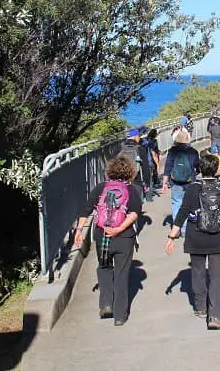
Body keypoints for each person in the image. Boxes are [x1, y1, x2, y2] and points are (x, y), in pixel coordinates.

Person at [165, 153, 220, 330]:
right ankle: (215, 316)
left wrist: (172, 237)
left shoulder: (193, 189)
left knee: (198, 272)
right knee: (217, 277)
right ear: (216, 169)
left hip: (196, 237)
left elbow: (182, 213)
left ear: (199, 169)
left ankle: (200, 308)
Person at [74, 156, 143, 326]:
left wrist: (79, 229)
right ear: (130, 172)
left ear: (110, 171)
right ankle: (120, 315)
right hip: (124, 237)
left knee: (104, 268)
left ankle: (106, 304)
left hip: (102, 235)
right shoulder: (132, 190)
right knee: (121, 274)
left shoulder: (100, 188)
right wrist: (120, 228)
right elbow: (134, 213)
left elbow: (86, 209)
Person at [162, 128, 199, 234]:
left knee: (176, 203)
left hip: (175, 182)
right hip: (189, 182)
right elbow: (197, 166)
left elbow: (168, 166)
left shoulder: (172, 151)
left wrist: (164, 182)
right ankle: (185, 230)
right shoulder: (193, 152)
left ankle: (177, 228)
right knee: (188, 205)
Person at [120, 128, 151, 199]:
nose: (139, 138)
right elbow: (145, 168)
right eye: (139, 136)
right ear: (135, 136)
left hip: (122, 181)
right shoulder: (140, 149)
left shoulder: (121, 148)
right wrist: (147, 183)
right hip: (136, 181)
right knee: (136, 205)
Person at [142, 127, 162, 192]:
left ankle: (148, 185)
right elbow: (154, 152)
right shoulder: (154, 141)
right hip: (152, 158)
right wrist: (158, 163)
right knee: (155, 170)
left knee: (148, 173)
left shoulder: (145, 140)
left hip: (145, 159)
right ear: (155, 134)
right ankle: (155, 183)